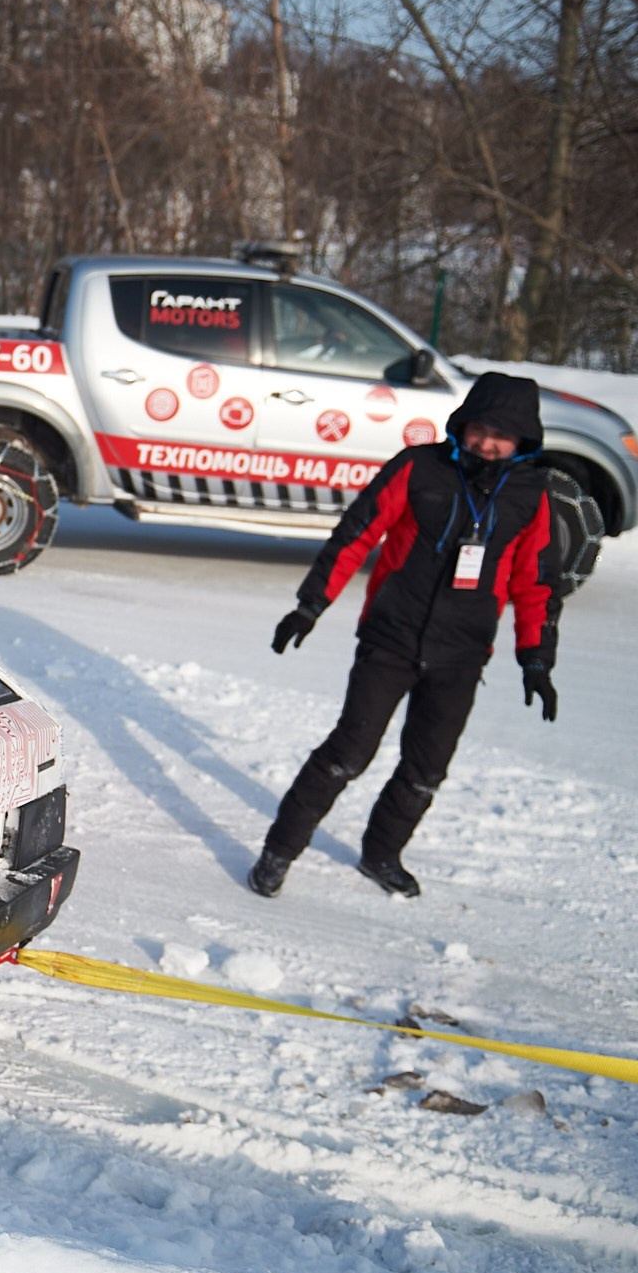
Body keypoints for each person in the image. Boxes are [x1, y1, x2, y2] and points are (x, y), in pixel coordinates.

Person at [250, 372, 563, 899]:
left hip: (462, 655)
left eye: (501, 435)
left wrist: (535, 658)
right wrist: (310, 606)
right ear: (463, 425)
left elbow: (535, 585)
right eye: (480, 429)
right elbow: (357, 532)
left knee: (426, 770)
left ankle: (381, 855)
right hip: (391, 640)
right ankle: (278, 851)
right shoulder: (420, 468)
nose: (487, 443)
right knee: (348, 753)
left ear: (522, 441)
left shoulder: (531, 496)